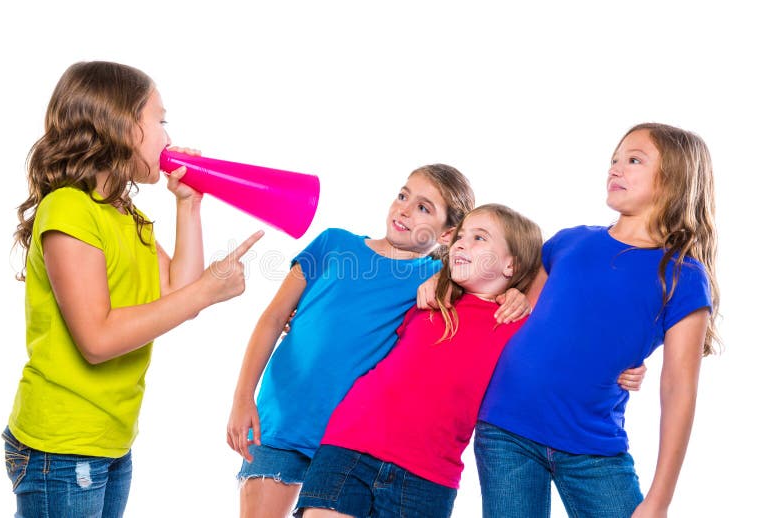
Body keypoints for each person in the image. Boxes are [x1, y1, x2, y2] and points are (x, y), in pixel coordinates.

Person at [4, 61, 263, 518]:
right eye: (159, 121)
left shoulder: (123, 212)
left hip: (110, 441)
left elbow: (177, 293)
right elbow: (97, 340)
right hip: (62, 447)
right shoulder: (69, 209)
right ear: (120, 126)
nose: (167, 136)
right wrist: (205, 291)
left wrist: (188, 205)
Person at [227, 165, 531, 517]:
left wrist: (517, 295)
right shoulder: (334, 243)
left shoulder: (438, 280)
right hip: (282, 418)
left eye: (423, 207)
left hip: (349, 438)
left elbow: (488, 287)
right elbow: (273, 318)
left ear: (448, 234)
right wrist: (242, 397)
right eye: (403, 195)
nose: (404, 209)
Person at [471, 123, 720, 517]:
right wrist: (515, 292)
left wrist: (659, 500)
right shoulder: (570, 241)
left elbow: (678, 390)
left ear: (674, 179)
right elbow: (515, 309)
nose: (615, 168)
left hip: (593, 446)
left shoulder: (683, 276)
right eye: (614, 160)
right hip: (506, 428)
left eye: (633, 160)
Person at [295, 203, 544, 518]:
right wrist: (301, 317)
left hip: (428, 475)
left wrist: (626, 367)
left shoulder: (518, 325)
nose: (463, 243)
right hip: (352, 443)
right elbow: (358, 315)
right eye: (461, 236)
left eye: (480, 238)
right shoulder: (428, 297)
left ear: (511, 265)